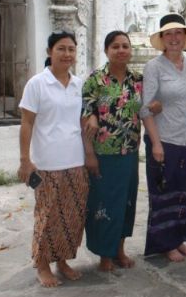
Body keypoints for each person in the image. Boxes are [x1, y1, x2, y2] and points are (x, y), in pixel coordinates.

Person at [18, 31, 88, 287]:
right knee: (47, 216)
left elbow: (82, 120)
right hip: (47, 162)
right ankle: (42, 264)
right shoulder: (37, 84)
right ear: (50, 52)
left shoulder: (79, 84)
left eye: (71, 49)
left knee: (72, 217)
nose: (67, 54)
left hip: (76, 161)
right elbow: (27, 123)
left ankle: (62, 260)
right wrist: (25, 160)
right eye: (61, 48)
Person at [141, 13, 186, 262]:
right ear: (162, 38)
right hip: (164, 139)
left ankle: (178, 239)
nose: (174, 38)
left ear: (185, 37)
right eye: (168, 34)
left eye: (178, 33)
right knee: (165, 192)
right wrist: (156, 143)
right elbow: (145, 108)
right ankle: (165, 243)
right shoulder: (153, 67)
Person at [82, 30, 143, 272]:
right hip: (103, 155)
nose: (121, 50)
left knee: (126, 202)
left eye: (125, 46)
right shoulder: (95, 80)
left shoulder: (137, 79)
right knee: (104, 204)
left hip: (129, 152)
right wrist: (89, 154)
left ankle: (119, 249)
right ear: (106, 50)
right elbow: (85, 115)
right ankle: (104, 255)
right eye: (115, 46)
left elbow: (144, 110)